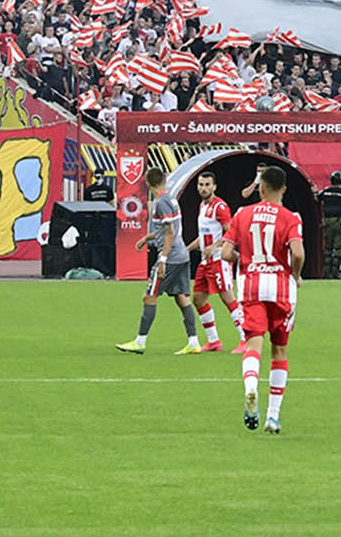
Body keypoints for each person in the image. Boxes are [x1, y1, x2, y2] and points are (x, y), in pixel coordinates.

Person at [219, 165, 305, 433]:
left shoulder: (243, 213)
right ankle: (273, 416)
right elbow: (298, 252)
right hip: (281, 287)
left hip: (252, 285)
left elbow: (224, 253)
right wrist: (296, 274)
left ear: (261, 188)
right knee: (279, 350)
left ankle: (251, 387)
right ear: (284, 190)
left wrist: (243, 258)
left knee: (253, 342)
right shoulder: (290, 217)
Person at [115, 166, 204, 356]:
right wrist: (148, 238)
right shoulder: (170, 198)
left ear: (147, 183)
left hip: (170, 256)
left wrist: (162, 259)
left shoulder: (161, 203)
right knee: (181, 297)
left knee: (149, 296)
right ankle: (194, 342)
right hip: (181, 255)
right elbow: (168, 230)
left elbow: (170, 233)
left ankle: (140, 342)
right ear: (164, 180)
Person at [191, 174, 240, 352]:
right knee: (198, 298)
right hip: (206, 261)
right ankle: (213, 341)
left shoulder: (220, 207)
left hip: (219, 259)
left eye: (207, 185)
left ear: (214, 187)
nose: (203, 188)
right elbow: (202, 236)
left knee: (227, 298)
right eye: (201, 184)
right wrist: (186, 249)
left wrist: (214, 246)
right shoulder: (202, 206)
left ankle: (245, 339)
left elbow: (231, 232)